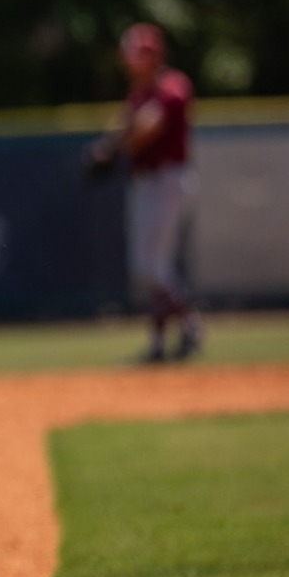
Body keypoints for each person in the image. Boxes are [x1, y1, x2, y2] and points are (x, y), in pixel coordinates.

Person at [84, 22, 202, 363]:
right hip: (145, 181)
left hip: (167, 179)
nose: (130, 59)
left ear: (153, 56)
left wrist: (111, 149)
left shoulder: (172, 86)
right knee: (144, 267)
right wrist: (113, 147)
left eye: (137, 53)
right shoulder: (137, 93)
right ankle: (159, 343)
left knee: (153, 266)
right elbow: (132, 127)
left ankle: (190, 327)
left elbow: (150, 126)